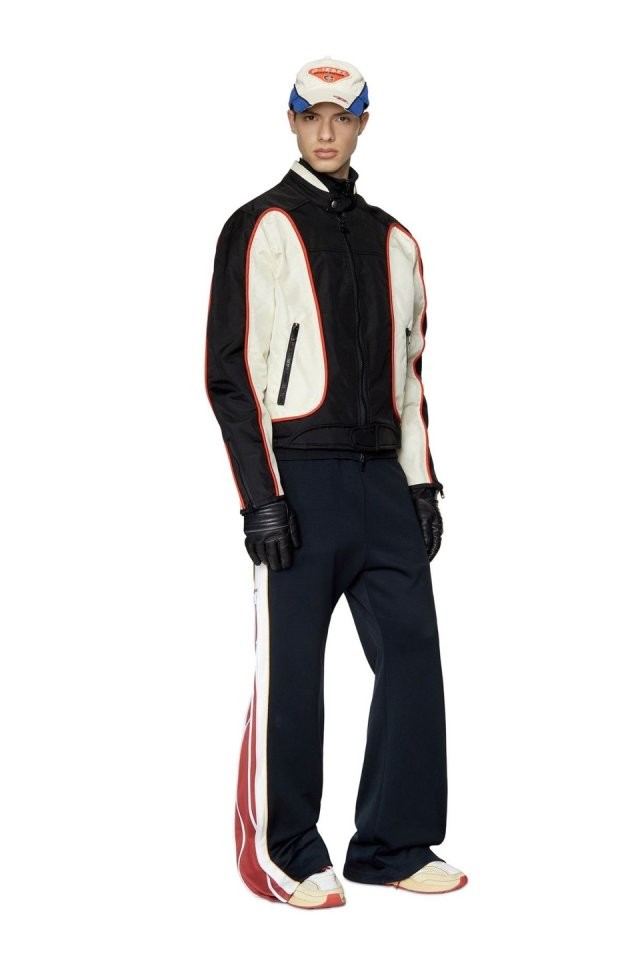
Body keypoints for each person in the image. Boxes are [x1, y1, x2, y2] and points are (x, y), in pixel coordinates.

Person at [204, 56, 468, 909]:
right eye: (311, 115)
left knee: (413, 658)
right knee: (294, 674)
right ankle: (283, 851)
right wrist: (261, 499)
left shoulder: (396, 240)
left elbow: (411, 376)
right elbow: (231, 376)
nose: (326, 131)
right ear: (291, 121)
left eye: (341, 117)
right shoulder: (260, 225)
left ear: (361, 125)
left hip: (382, 479)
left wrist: (420, 484)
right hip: (300, 479)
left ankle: (392, 844)